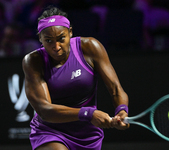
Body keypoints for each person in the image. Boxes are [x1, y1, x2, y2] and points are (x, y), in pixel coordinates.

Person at [22, 6, 129, 150]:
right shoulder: (33, 61)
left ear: (70, 32)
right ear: (40, 38)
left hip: (87, 133)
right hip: (50, 131)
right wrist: (88, 113)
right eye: (48, 40)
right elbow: (44, 110)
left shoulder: (90, 47)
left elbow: (116, 89)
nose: (56, 46)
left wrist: (122, 111)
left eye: (61, 38)